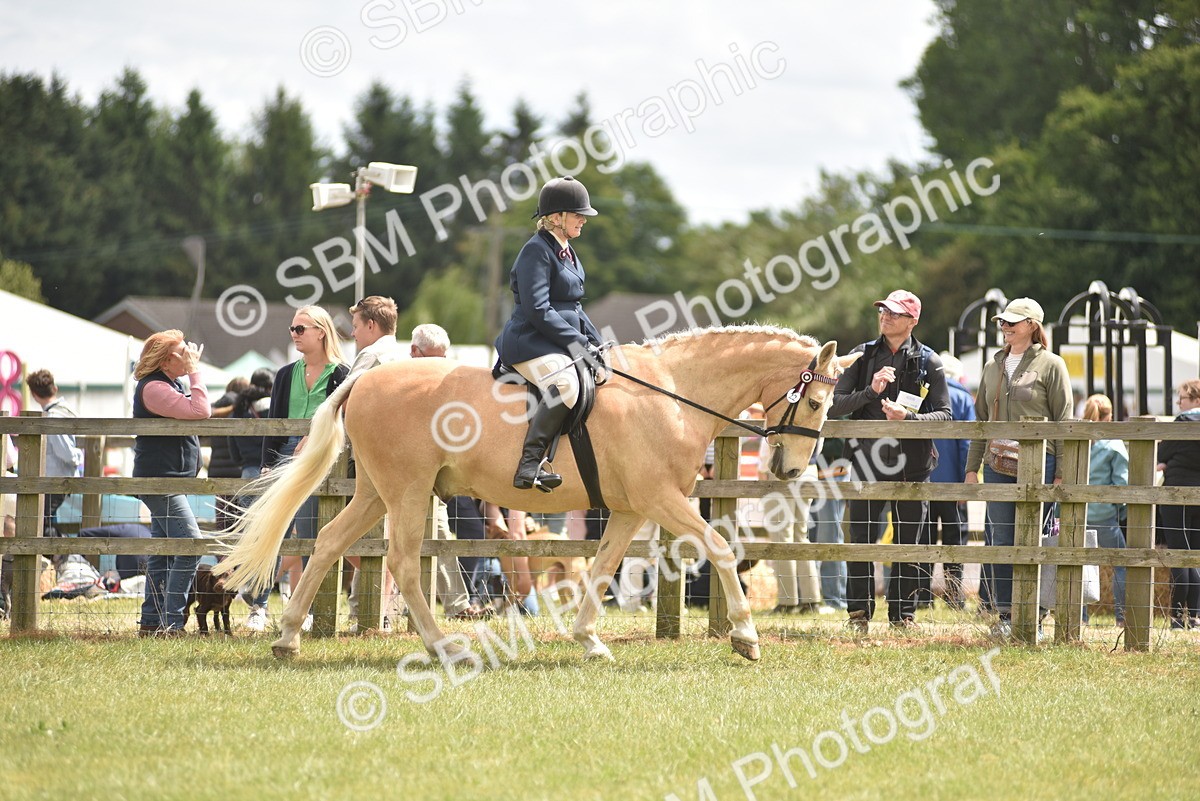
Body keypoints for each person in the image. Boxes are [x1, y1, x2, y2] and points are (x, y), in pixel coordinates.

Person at [829, 290, 951, 632]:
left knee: (908, 543)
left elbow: (944, 415)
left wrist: (908, 419)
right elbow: (834, 405)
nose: (886, 316)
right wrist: (871, 390)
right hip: (865, 464)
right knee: (861, 540)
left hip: (914, 467)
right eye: (883, 310)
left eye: (895, 313)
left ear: (913, 321)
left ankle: (902, 616)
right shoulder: (861, 356)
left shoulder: (930, 361)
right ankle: (859, 615)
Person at [964, 297, 1073, 640]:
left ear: (1032, 325)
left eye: (1013, 321)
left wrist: (1062, 471)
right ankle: (1007, 615)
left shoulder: (1052, 364)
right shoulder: (991, 366)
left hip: (1041, 462)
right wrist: (972, 468)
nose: (1005, 327)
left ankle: (1035, 619)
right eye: (1002, 322)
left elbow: (1064, 421)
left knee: (1034, 539)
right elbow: (981, 421)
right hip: (995, 462)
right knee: (1000, 539)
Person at [495, 175, 603, 493]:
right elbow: (538, 309)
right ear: (556, 218)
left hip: (556, 341)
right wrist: (577, 342)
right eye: (577, 214)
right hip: (530, 341)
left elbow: (574, 307)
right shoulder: (536, 251)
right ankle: (530, 465)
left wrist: (595, 341)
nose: (583, 219)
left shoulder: (566, 251)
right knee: (566, 384)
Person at [263, 306, 349, 631]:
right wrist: (266, 463)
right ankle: (263, 604)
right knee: (275, 530)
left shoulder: (342, 373)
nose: (295, 334)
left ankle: (308, 610)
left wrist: (312, 437)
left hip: (321, 459)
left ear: (321, 332)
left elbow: (342, 421)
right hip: (284, 454)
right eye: (293, 329)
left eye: (301, 329)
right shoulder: (285, 374)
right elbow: (272, 423)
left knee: (311, 534)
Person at [132, 330, 211, 636]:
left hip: (169, 481)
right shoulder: (153, 388)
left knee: (164, 552)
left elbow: (199, 407)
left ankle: (152, 622)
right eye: (182, 352)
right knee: (190, 546)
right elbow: (201, 410)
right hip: (160, 481)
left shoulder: (168, 384)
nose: (189, 354)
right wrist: (195, 371)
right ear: (166, 360)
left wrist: (190, 373)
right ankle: (172, 623)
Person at [921, 353, 976, 610]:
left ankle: (922, 596)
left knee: (925, 540)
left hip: (925, 480)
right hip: (954, 483)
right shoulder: (963, 399)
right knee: (955, 541)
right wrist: (968, 476)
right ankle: (954, 596)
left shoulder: (924, 397)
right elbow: (968, 443)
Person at [228, 368, 274, 631]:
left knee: (249, 536)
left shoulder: (239, 409)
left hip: (247, 475)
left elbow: (233, 450)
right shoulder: (274, 406)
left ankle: (247, 582)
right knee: (272, 539)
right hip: (271, 474)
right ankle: (261, 601)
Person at [1080, 394, 1127, 626]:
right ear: (1109, 417)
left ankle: (1080, 618)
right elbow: (1122, 484)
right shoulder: (1114, 444)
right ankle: (1122, 617)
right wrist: (1121, 510)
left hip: (1077, 514)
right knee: (1121, 564)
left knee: (1077, 563)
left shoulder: (1077, 439)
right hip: (1105, 515)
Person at [1157, 379, 1200, 630]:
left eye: (1182, 399)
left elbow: (1161, 455)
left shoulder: (1182, 423)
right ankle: (1194, 615)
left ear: (1195, 400)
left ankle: (1176, 616)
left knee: (1178, 554)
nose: (1178, 404)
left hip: (1177, 495)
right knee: (1195, 556)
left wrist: (1170, 461)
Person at [24, 369, 82, 536]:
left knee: (42, 522)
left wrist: (77, 457)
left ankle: (58, 556)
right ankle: (57, 556)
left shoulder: (52, 416)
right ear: (54, 388)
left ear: (34, 395)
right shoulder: (67, 410)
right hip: (61, 478)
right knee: (47, 519)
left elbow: (65, 452)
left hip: (55, 479)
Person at [208, 376, 248, 531]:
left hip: (218, 470)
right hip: (239, 469)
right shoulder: (245, 408)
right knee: (241, 515)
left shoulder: (214, 407)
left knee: (223, 516)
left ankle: (223, 554)